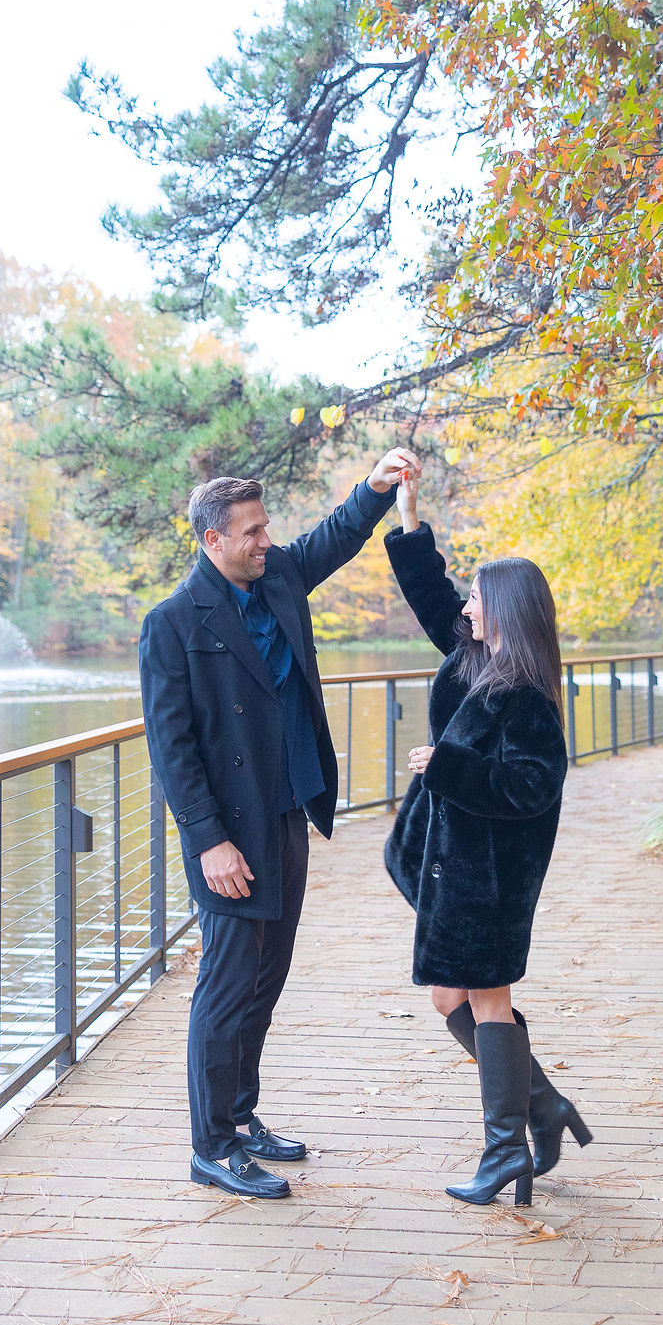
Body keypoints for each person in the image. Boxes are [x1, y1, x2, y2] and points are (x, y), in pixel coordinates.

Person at [139, 448, 420, 1201]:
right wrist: (207, 840)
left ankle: (241, 1115)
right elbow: (172, 748)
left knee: (266, 977)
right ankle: (212, 1145)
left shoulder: (280, 576)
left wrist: (373, 489)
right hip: (228, 831)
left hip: (288, 811)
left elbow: (333, 536)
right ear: (212, 539)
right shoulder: (170, 623)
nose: (267, 540)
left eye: (267, 528)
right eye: (253, 532)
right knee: (225, 987)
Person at [380, 469, 591, 1208]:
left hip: (495, 874)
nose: (465, 606)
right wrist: (409, 523)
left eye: (476, 597)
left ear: (503, 609)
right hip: (458, 868)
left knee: (487, 1000)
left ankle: (506, 1149)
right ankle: (543, 1108)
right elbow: (432, 596)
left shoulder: (527, 693)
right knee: (449, 997)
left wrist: (451, 767)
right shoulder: (475, 656)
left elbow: (532, 785)